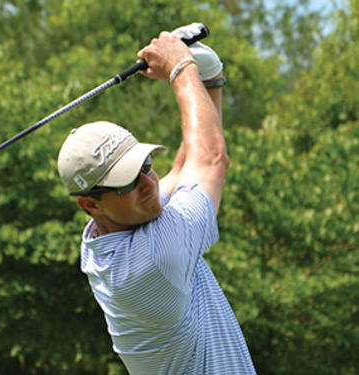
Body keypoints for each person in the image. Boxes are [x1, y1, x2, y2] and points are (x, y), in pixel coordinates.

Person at [57, 24, 256, 374]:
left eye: (145, 165)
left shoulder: (111, 227)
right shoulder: (152, 261)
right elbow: (211, 159)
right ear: (90, 204)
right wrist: (180, 69)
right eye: (125, 183)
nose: (149, 183)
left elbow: (183, 168)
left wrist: (208, 82)